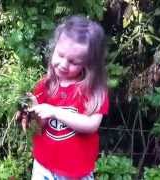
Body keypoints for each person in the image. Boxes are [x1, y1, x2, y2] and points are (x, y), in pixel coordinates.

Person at [19, 15, 109, 180]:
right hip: (43, 166)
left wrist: (55, 112)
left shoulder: (93, 90)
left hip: (75, 173)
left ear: (88, 64)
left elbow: (91, 125)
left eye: (74, 62)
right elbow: (42, 125)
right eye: (60, 55)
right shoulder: (45, 85)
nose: (63, 64)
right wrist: (32, 109)